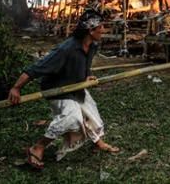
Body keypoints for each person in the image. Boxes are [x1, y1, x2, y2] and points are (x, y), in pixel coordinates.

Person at [8, 10, 119, 171]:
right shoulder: (65, 50)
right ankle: (38, 147)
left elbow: (85, 65)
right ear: (91, 30)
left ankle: (98, 144)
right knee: (72, 116)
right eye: (101, 27)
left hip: (76, 86)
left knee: (91, 112)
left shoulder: (93, 45)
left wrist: (87, 77)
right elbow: (36, 69)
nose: (103, 29)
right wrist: (16, 88)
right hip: (57, 89)